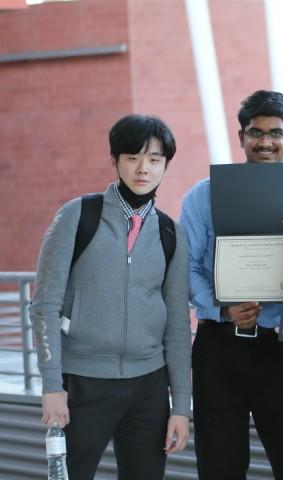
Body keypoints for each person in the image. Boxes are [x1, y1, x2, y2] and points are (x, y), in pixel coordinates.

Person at [30, 114, 192, 480]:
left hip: (149, 387)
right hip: (83, 383)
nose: (143, 168)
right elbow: (44, 307)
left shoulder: (171, 233)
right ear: (115, 159)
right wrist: (52, 385)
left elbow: (178, 326)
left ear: (165, 164)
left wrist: (180, 406)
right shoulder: (77, 216)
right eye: (133, 156)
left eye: (154, 159)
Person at [180, 90, 283, 480]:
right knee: (220, 466)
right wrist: (220, 309)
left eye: (276, 133)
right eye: (255, 132)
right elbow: (186, 267)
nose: (266, 142)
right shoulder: (202, 197)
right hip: (220, 348)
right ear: (241, 137)